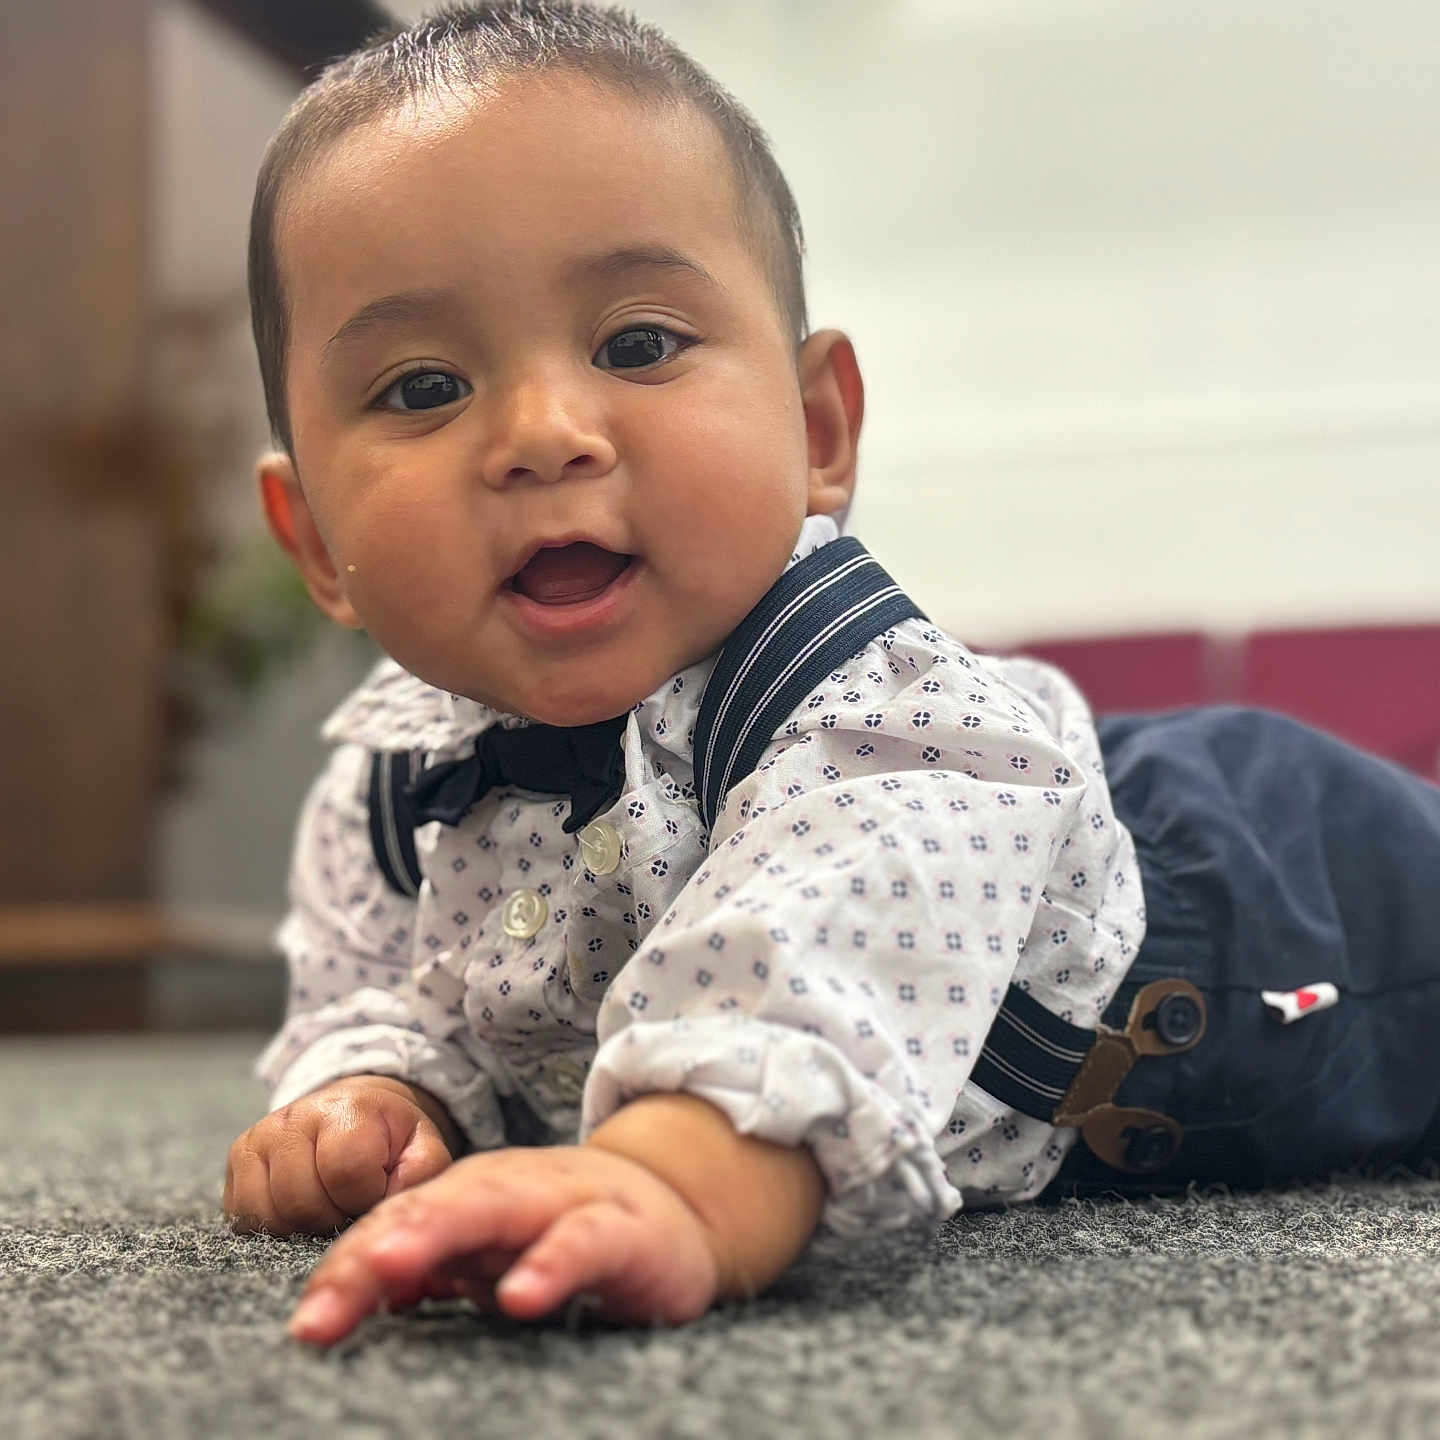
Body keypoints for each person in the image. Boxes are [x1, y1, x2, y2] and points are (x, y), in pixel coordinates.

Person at [223, 1, 1440, 1347]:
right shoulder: (392, 790)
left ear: (816, 432)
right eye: (421, 387)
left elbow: (820, 947)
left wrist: (673, 1182)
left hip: (1293, 899)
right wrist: (375, 1097)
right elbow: (385, 992)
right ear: (315, 541)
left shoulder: (872, 709)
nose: (544, 433)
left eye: (636, 345)